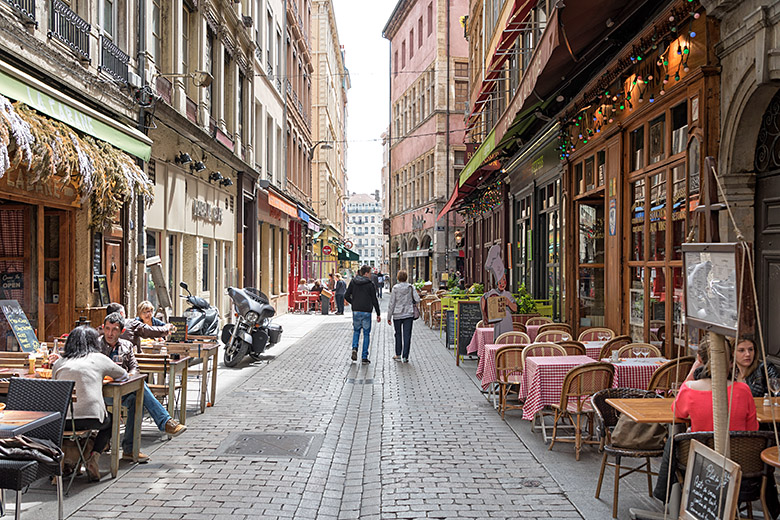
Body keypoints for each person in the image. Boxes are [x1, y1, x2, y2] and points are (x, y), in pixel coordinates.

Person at [654, 340, 759, 501]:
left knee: (674, 442)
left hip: (701, 464)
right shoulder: (743, 390)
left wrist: (693, 370)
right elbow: (753, 430)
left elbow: (678, 411)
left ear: (700, 359)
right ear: (730, 360)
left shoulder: (690, 389)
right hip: (742, 464)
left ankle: (664, 493)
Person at [101, 312, 187, 462]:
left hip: (122, 389)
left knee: (136, 398)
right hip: (101, 393)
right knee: (142, 386)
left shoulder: (127, 346)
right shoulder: (96, 345)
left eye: (114, 329)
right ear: (103, 328)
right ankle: (165, 421)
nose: (110, 333)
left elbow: (135, 368)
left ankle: (129, 450)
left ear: (121, 331)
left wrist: (130, 376)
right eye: (107, 328)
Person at [52, 326, 127, 482]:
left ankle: (59, 461)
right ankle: (94, 457)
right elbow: (123, 375)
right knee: (113, 419)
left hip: (62, 422)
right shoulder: (98, 358)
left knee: (61, 424)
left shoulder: (59, 362)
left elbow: (55, 385)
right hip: (92, 418)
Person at [345, 265, 381, 363]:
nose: (370, 275)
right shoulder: (370, 284)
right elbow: (374, 299)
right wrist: (378, 313)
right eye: (370, 273)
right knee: (366, 334)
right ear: (366, 273)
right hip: (366, 311)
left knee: (356, 331)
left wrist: (354, 302)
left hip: (356, 311)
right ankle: (364, 357)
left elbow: (346, 295)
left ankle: (355, 348)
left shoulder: (353, 282)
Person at [481, 245, 518, 339]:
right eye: (500, 282)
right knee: (498, 339)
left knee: (508, 339)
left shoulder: (508, 294)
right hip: (497, 321)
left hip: (508, 320)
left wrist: (508, 303)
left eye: (504, 281)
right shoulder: (492, 292)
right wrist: (484, 314)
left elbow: (515, 309)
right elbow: (483, 299)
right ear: (497, 283)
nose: (502, 284)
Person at [106, 302, 172, 352]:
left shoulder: (102, 328)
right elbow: (150, 330)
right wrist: (167, 329)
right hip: (127, 364)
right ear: (121, 314)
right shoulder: (131, 323)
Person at [386, 270, 419, 362]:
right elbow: (417, 299)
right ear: (406, 277)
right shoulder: (410, 287)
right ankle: (405, 356)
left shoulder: (395, 288)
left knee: (398, 334)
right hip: (408, 313)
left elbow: (392, 303)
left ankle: (398, 354)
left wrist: (389, 317)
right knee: (407, 335)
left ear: (398, 277)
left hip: (397, 314)